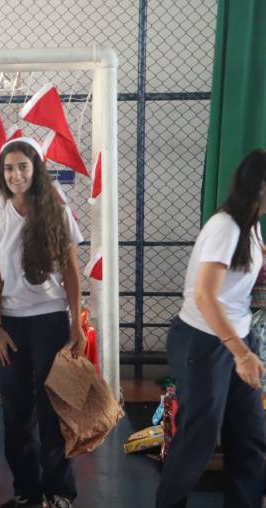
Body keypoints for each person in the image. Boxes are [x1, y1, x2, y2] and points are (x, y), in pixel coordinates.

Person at [155, 149, 266, 508]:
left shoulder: (251, 225)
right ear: (260, 186)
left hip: (237, 337)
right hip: (204, 340)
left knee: (249, 435)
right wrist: (241, 353)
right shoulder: (225, 227)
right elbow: (205, 295)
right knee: (198, 438)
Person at [0, 138, 85, 508]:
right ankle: (27, 491)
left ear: (36, 169)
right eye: (9, 168)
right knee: (16, 412)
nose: (15, 175)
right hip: (11, 326)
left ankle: (59, 490)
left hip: (50, 321)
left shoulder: (57, 211)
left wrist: (76, 325)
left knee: (52, 409)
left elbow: (72, 271)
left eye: (22, 167)